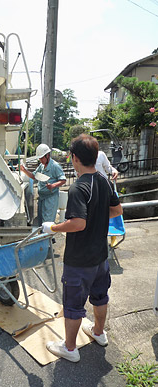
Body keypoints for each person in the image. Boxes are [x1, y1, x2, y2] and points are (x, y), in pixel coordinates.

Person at [42, 134, 123, 363]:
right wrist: (96, 216)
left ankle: (69, 348)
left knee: (73, 306)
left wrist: (53, 228)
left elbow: (78, 223)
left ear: (74, 158)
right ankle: (98, 333)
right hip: (100, 257)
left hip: (79, 261)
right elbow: (117, 211)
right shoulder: (104, 180)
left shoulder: (78, 188)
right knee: (100, 297)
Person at [20, 144, 66, 226]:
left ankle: (48, 238)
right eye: (39, 158)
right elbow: (34, 176)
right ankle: (45, 237)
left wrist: (53, 185)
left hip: (50, 198)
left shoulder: (55, 166)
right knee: (41, 223)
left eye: (42, 158)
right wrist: (24, 170)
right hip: (42, 198)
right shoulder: (41, 166)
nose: (40, 160)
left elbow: (63, 180)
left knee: (47, 222)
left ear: (47, 155)